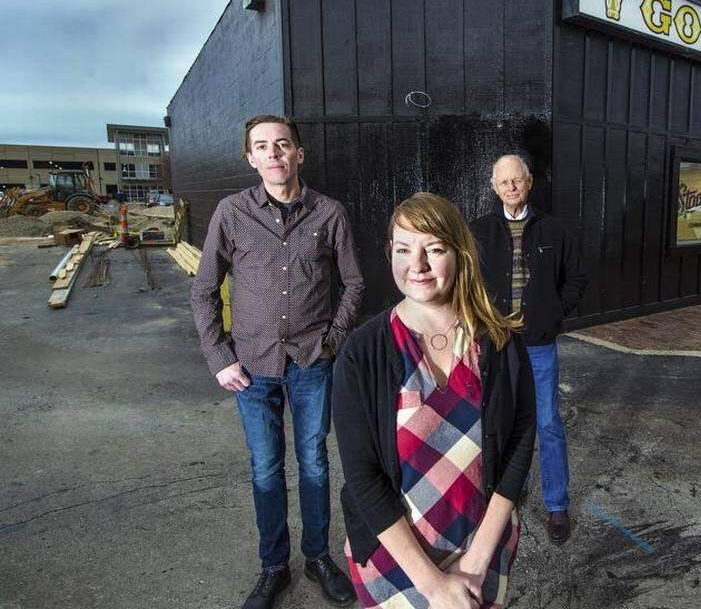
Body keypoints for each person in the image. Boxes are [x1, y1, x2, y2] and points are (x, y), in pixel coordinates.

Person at [190, 114, 363, 609]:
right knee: (266, 467)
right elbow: (203, 290)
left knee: (313, 463)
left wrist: (332, 339)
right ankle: (273, 568)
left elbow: (353, 283)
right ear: (250, 157)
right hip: (250, 366)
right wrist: (219, 356)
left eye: (282, 145)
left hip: (313, 361)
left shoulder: (329, 213)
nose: (273, 153)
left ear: (298, 153)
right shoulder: (231, 212)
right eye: (262, 146)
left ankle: (317, 558)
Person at [333, 192, 535, 609]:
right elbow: (362, 474)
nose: (417, 265)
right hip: (395, 560)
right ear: (390, 253)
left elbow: (519, 442)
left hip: (481, 548)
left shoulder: (499, 342)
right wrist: (433, 585)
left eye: (434, 249)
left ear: (459, 253)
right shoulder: (363, 350)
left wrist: (476, 562)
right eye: (403, 249)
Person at [470, 155, 587, 543]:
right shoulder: (480, 231)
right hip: (497, 344)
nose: (511, 188)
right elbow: (465, 282)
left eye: (517, 181)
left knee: (548, 423)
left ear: (529, 182)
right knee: (498, 422)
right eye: (503, 183)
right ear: (494, 187)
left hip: (537, 343)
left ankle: (556, 505)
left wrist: (554, 315)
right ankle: (503, 496)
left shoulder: (554, 230)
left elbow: (576, 279)